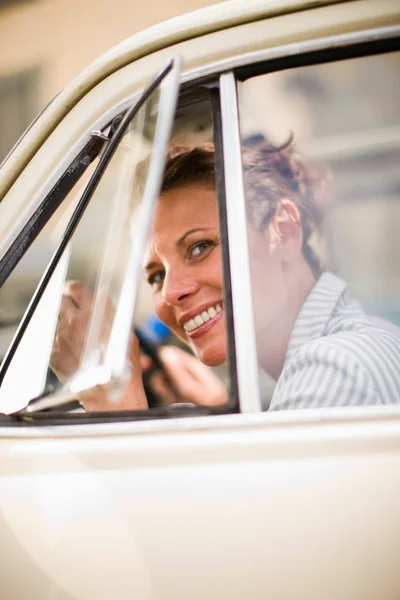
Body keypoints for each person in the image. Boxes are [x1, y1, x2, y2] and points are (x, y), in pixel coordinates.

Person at [50, 140, 400, 410]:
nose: (171, 292)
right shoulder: (365, 335)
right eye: (156, 276)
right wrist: (218, 407)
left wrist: (113, 402)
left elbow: (276, 508)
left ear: (285, 232)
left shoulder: (333, 372)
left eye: (200, 247)